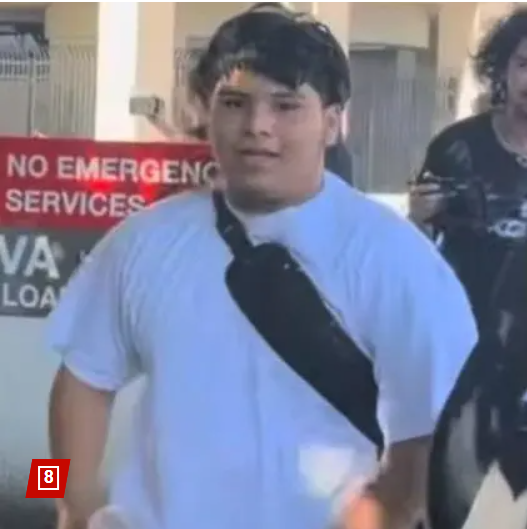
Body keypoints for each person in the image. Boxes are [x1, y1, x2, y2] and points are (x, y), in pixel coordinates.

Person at [46, 5, 477, 529]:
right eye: (235, 103)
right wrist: (65, 502)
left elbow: (429, 442)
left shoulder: (397, 261)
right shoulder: (143, 243)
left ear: (333, 123)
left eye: (286, 106)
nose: (257, 126)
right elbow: (79, 384)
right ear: (207, 112)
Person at [408, 7, 527, 331]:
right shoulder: (457, 148)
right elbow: (414, 254)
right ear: (502, 69)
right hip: (462, 332)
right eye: (523, 64)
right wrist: (417, 220)